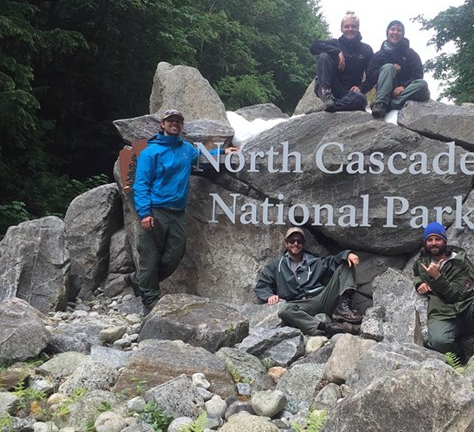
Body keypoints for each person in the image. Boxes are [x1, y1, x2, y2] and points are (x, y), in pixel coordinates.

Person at [126, 109, 237, 311]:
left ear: (181, 125)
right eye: (170, 121)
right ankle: (150, 301)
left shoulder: (186, 149)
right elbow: (141, 184)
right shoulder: (150, 152)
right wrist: (144, 213)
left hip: (177, 211)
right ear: (163, 124)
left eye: (177, 121)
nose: (174, 124)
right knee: (150, 256)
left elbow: (203, 155)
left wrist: (222, 152)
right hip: (155, 210)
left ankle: (138, 279)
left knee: (175, 254)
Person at [413, 222, 474, 362]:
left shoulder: (461, 262)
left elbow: (457, 295)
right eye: (430, 240)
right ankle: (460, 358)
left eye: (437, 239)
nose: (434, 243)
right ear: (425, 243)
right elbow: (415, 274)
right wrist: (418, 283)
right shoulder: (421, 263)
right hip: (441, 313)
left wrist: (437, 277)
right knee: (438, 341)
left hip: (465, 308)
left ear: (444, 241)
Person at [254, 227, 363, 337]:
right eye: (292, 241)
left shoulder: (314, 261)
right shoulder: (276, 265)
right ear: (286, 243)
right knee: (284, 310)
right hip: (299, 305)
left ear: (303, 244)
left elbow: (332, 262)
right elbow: (262, 284)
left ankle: (342, 309)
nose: (295, 244)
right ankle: (327, 328)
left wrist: (347, 254)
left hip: (321, 299)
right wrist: (269, 295)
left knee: (346, 263)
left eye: (299, 241)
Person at [361, 20, 430, 119]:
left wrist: (403, 87)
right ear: (387, 32)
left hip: (405, 91)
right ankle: (380, 104)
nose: (395, 33)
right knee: (388, 67)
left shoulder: (411, 54)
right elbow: (371, 78)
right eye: (392, 29)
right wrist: (388, 69)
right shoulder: (378, 55)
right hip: (385, 92)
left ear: (403, 34)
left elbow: (418, 74)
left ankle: (388, 105)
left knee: (422, 84)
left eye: (399, 30)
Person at [310, 11, 374, 113]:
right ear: (341, 28)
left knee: (361, 99)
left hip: (350, 93)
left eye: (353, 26)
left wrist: (361, 88)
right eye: (346, 26)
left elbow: (372, 76)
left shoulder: (366, 50)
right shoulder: (335, 43)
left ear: (358, 28)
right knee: (323, 56)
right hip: (331, 88)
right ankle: (328, 98)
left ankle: (330, 106)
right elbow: (314, 46)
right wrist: (337, 51)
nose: (350, 29)